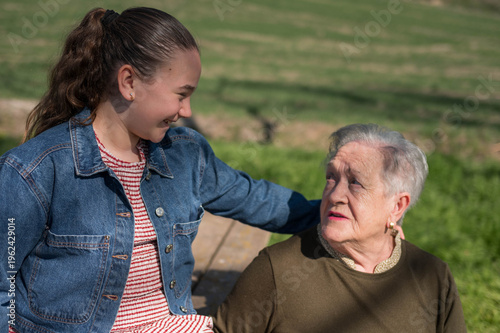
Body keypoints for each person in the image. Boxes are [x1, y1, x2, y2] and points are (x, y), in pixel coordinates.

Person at [0, 7, 322, 333]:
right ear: (129, 82)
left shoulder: (185, 155)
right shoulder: (33, 171)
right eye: (182, 95)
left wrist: (341, 216)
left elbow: (258, 200)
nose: (186, 111)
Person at [213, 124, 467, 333]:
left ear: (397, 206)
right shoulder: (277, 270)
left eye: (355, 182)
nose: (335, 195)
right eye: (331, 178)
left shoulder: (432, 275)